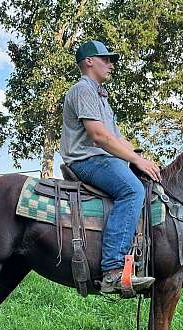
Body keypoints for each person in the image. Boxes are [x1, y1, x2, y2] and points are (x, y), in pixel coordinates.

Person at [59, 40, 162, 295]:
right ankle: (113, 271)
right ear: (89, 61)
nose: (111, 64)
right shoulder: (83, 90)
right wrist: (136, 161)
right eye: (105, 59)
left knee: (145, 181)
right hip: (86, 159)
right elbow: (99, 136)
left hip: (103, 157)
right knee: (132, 191)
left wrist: (139, 156)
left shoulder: (101, 98)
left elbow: (115, 138)